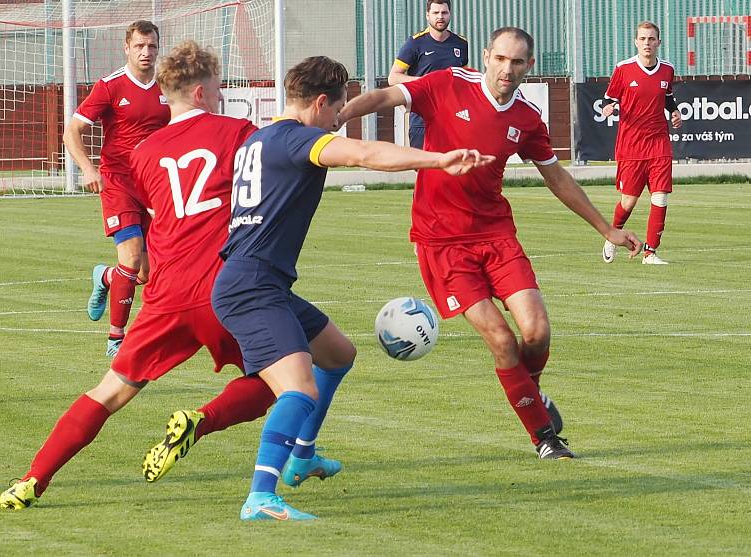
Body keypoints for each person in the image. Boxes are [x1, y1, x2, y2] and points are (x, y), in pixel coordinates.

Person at [339, 27, 643, 460]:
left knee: (536, 332)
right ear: (486, 57)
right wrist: (343, 114)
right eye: (500, 58)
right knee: (502, 340)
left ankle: (530, 398)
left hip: (496, 235)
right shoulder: (447, 83)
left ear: (529, 67)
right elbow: (387, 95)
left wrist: (605, 228)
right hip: (441, 242)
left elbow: (556, 176)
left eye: (517, 62)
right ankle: (544, 437)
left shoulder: (527, 118)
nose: (507, 68)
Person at [0, 41, 277, 510]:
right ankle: (201, 422)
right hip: (223, 292)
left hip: (165, 295)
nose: (222, 92)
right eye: (218, 85)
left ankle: (30, 480)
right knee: (283, 380)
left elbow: (154, 210)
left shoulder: (145, 152)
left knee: (107, 393)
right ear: (204, 92)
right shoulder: (239, 132)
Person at [211, 55, 490, 521]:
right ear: (321, 103)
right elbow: (366, 155)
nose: (339, 122)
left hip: (259, 280)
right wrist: (438, 159)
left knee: (338, 354)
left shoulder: (258, 139)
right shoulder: (301, 140)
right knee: (299, 391)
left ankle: (302, 457)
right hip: (252, 285)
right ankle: (261, 496)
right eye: (338, 112)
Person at [63, 20, 169, 356]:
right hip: (117, 181)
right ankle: (116, 339)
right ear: (127, 48)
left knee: (148, 275)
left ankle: (106, 277)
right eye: (139, 46)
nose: (146, 52)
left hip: (154, 186)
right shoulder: (110, 86)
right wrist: (89, 169)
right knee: (132, 254)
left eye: (151, 46)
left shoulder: (168, 86)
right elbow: (71, 132)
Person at [601, 21, 682, 265]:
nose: (647, 43)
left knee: (660, 197)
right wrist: (609, 106)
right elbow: (608, 97)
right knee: (629, 201)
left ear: (659, 42)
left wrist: (675, 112)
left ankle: (650, 253)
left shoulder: (667, 70)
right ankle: (611, 236)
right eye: (643, 39)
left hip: (659, 142)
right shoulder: (624, 69)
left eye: (651, 39)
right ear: (636, 42)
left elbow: (668, 98)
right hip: (631, 145)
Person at [388, 1, 468, 148]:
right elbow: (393, 77)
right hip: (422, 121)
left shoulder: (461, 43)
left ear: (450, 14)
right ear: (427, 15)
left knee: (453, 167)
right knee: (423, 168)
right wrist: (427, 82)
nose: (440, 17)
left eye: (444, 13)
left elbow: (463, 78)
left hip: (453, 119)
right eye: (435, 13)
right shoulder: (415, 43)